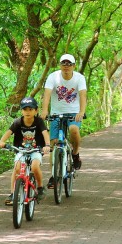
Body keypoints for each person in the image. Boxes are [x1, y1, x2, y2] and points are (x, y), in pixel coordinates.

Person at [41, 53, 87, 188]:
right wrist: (44, 110)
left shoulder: (79, 78)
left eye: (69, 64)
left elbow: (83, 95)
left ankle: (75, 153)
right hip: (57, 113)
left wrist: (81, 112)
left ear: (73, 66)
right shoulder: (53, 77)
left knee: (74, 129)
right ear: (60, 65)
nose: (66, 66)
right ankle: (54, 176)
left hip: (74, 113)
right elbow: (47, 94)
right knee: (54, 143)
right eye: (63, 63)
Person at [0, 96, 50, 206]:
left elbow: (45, 133)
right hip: (21, 150)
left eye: (30, 109)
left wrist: (47, 145)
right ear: (21, 111)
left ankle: (40, 187)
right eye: (25, 109)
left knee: (35, 166)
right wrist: (2, 141)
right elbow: (8, 132)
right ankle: (13, 193)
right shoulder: (18, 122)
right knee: (17, 168)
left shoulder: (39, 121)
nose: (27, 112)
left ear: (36, 110)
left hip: (36, 149)